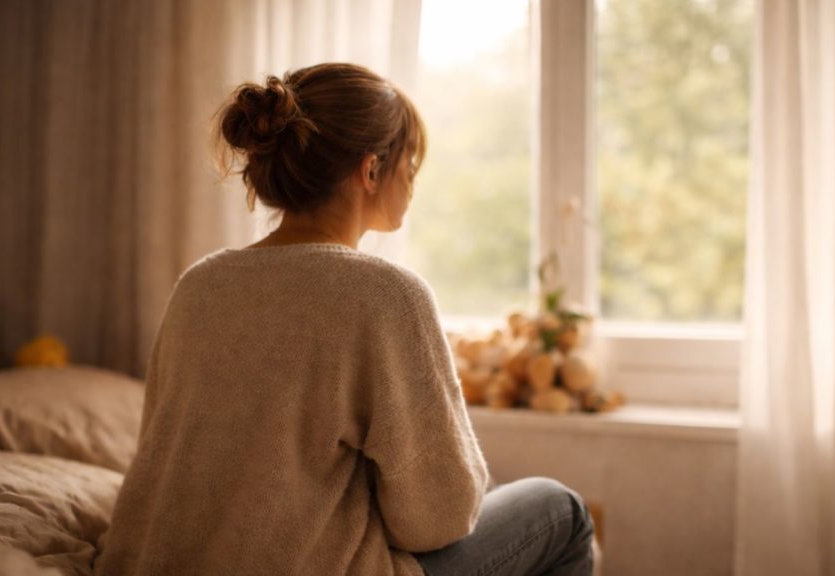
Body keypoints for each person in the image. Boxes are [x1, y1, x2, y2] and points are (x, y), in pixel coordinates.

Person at [95, 62, 593, 576]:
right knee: (562, 510)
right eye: (410, 163)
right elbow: (436, 520)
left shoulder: (200, 285)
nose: (413, 181)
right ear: (371, 170)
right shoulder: (385, 295)